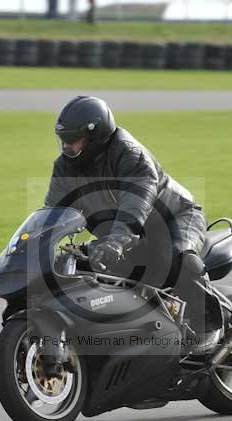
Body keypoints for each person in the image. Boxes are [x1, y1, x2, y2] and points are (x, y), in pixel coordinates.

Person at [44, 96, 216, 335]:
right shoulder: (64, 167)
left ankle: (209, 325)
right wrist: (39, 248)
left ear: (95, 135)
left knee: (181, 260)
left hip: (175, 218)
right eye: (64, 141)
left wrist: (115, 241)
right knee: (84, 270)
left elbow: (135, 204)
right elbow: (52, 214)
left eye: (74, 141)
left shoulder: (129, 154)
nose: (67, 147)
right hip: (126, 234)